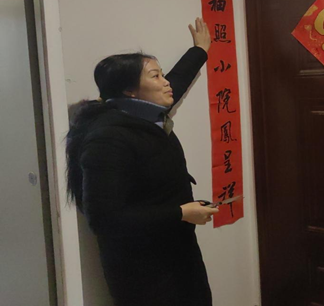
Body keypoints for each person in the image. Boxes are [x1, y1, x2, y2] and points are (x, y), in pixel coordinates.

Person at [66, 18, 218, 306]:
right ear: (129, 90)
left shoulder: (145, 114)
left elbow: (177, 82)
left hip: (177, 255)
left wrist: (199, 50)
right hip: (143, 272)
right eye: (156, 76)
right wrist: (181, 213)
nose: (166, 82)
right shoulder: (108, 138)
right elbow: (104, 219)